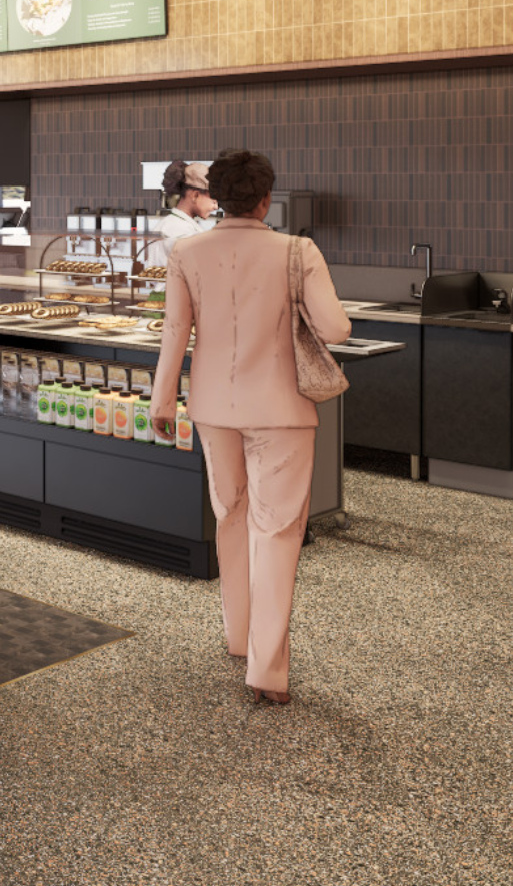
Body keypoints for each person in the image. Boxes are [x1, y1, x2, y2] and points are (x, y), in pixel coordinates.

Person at [151, 149, 349, 707]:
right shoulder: (297, 251)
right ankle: (266, 670)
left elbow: (175, 329)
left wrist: (162, 401)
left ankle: (238, 637)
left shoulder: (188, 251)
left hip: (213, 406)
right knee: (277, 530)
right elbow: (336, 328)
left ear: (216, 197)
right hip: (281, 409)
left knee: (231, 516)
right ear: (266, 199)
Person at [154, 161, 216, 258]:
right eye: (213, 200)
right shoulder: (181, 231)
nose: (216, 207)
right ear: (195, 196)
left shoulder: (174, 224)